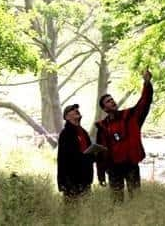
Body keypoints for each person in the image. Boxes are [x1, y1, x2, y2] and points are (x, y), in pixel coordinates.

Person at [95, 69, 153, 202]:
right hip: (113, 168)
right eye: (108, 101)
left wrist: (147, 83)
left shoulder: (130, 116)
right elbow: (100, 153)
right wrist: (101, 174)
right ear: (104, 108)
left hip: (130, 164)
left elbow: (144, 103)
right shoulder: (102, 127)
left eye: (112, 100)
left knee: (136, 199)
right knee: (116, 201)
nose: (113, 102)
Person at [57, 103, 94, 202]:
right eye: (72, 109)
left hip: (85, 178)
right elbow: (62, 159)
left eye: (77, 108)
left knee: (86, 210)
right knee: (72, 210)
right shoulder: (65, 134)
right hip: (71, 179)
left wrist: (95, 153)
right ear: (67, 117)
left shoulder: (84, 132)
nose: (76, 110)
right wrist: (63, 182)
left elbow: (89, 153)